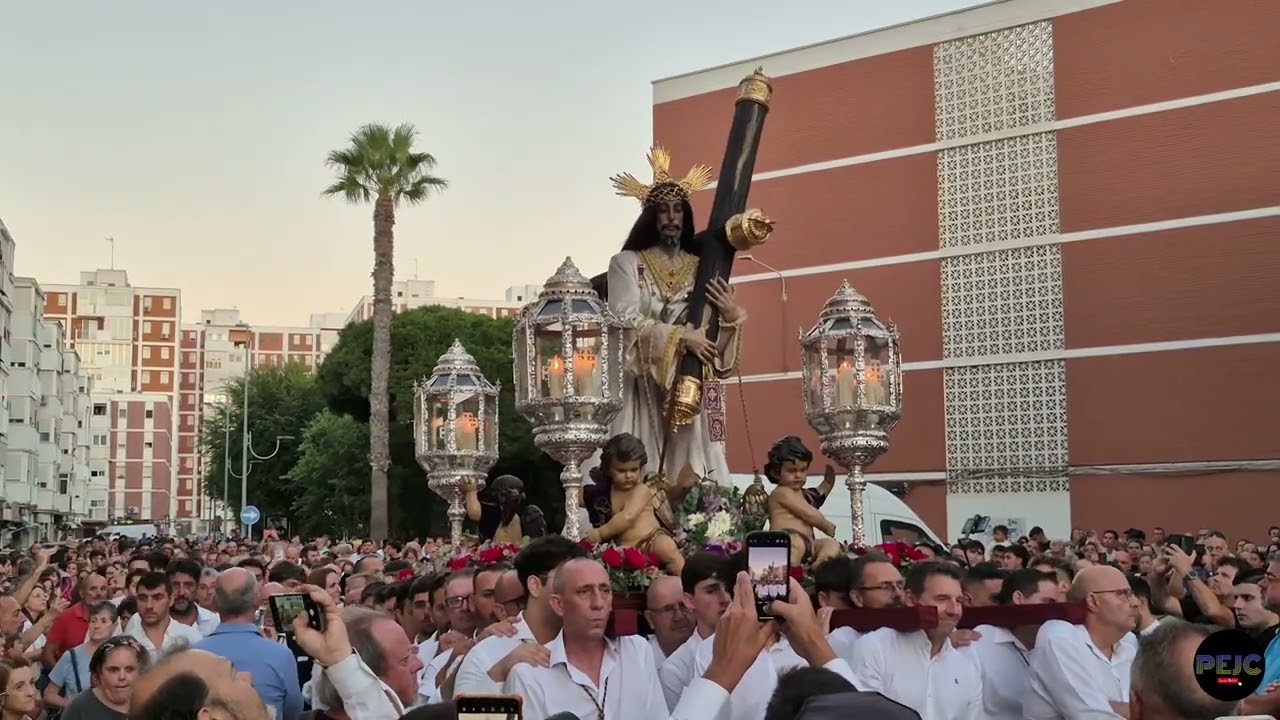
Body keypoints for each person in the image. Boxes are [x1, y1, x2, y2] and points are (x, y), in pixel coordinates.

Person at [596, 146, 746, 484]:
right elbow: (623, 321)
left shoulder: (702, 269)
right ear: (651, 217)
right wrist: (680, 337)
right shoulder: (627, 263)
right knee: (638, 465)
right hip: (641, 388)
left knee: (690, 470)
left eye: (678, 209)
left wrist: (731, 318)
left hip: (686, 386)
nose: (671, 217)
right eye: (662, 210)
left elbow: (718, 360)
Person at [60, 637, 148, 720]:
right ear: (99, 673)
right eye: (113, 670)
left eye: (129, 669)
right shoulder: (79, 708)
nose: (122, 677)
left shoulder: (152, 705)